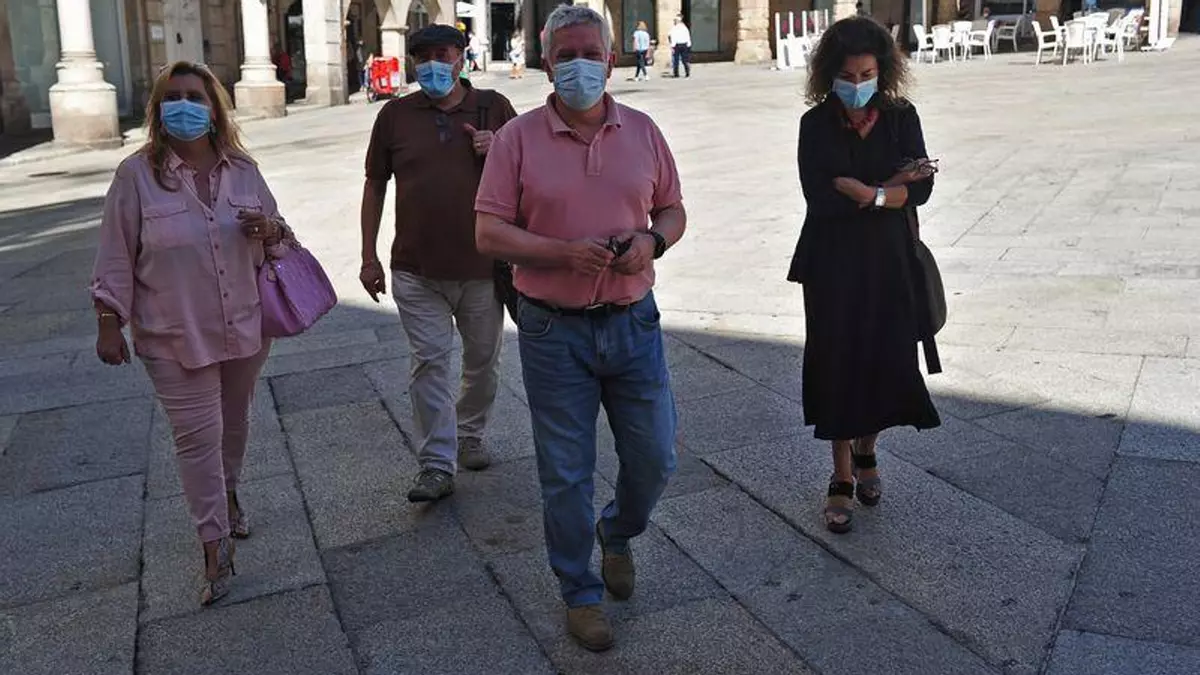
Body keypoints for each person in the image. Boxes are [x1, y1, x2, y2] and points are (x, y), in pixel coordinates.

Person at [475, 4, 686, 652]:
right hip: (552, 331)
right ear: (546, 65)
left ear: (611, 61)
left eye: (589, 54)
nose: (578, 66)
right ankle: (580, 591)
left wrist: (652, 241)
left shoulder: (643, 131)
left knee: (655, 457)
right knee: (565, 472)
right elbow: (488, 232)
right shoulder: (517, 139)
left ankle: (616, 531)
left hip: (633, 322)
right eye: (565, 56)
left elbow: (673, 210)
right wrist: (562, 253)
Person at [91, 61, 296, 606]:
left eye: (195, 96)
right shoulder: (135, 176)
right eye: (173, 96)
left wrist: (269, 230)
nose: (184, 105)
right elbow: (115, 253)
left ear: (214, 108)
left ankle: (228, 493)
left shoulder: (243, 170)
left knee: (234, 423)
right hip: (173, 334)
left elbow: (281, 237)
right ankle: (214, 543)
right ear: (158, 109)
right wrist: (109, 318)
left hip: (243, 324)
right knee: (197, 438)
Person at [788, 17, 941, 535]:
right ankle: (840, 472)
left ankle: (867, 449)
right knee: (838, 361)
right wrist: (892, 187)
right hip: (831, 263)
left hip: (888, 260)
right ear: (830, 74)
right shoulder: (815, 124)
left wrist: (868, 192)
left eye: (867, 74)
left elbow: (922, 188)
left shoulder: (901, 116)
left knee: (883, 357)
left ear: (884, 71)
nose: (857, 85)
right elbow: (821, 198)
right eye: (848, 75)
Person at [360, 25, 518, 503]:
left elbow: (532, 176)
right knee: (429, 363)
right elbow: (375, 183)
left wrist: (500, 150)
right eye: (423, 56)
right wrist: (368, 255)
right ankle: (435, 464)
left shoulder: (494, 107)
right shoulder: (395, 115)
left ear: (461, 57)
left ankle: (469, 432)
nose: (432, 64)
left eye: (443, 53)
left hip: (482, 267)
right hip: (415, 267)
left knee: (482, 361)